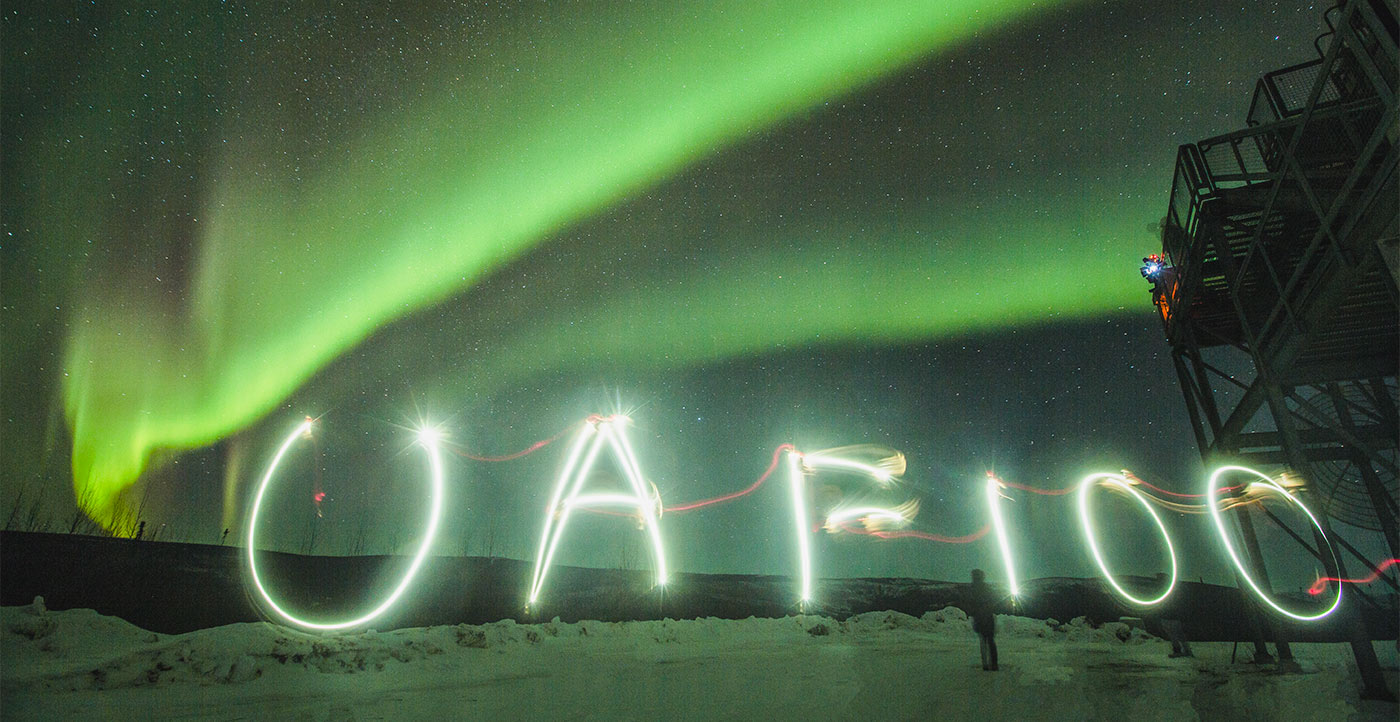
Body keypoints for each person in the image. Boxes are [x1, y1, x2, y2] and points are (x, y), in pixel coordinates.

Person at [967, 568, 998, 671]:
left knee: (983, 641)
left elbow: (971, 604)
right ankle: (993, 664)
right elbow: (992, 601)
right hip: (988, 617)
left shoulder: (972, 589)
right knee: (990, 640)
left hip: (979, 618)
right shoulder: (986, 588)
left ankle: (985, 664)